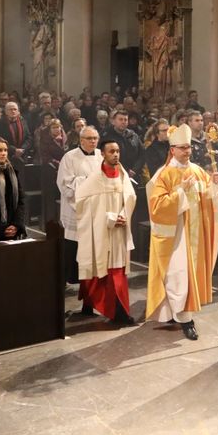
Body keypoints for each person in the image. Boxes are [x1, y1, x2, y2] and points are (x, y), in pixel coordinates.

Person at [145, 122, 218, 340]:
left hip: (195, 234)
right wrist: (181, 191)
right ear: (172, 150)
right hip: (176, 235)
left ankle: (182, 315)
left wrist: (215, 185)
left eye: (189, 147)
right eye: (182, 148)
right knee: (177, 276)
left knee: (186, 277)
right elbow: (157, 206)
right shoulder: (165, 174)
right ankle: (185, 319)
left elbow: (208, 198)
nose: (187, 151)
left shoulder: (198, 171)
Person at [73, 137, 137, 326]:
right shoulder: (94, 179)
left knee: (117, 271)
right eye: (111, 151)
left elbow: (131, 197)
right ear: (102, 154)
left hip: (119, 232)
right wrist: (109, 218)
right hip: (102, 232)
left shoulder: (123, 175)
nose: (115, 154)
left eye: (117, 151)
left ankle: (120, 312)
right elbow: (81, 203)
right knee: (103, 270)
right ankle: (116, 312)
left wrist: (124, 215)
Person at [58, 126, 101, 285]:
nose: (93, 141)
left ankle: (89, 278)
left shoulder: (100, 156)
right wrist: (89, 180)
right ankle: (71, 278)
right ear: (81, 140)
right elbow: (64, 183)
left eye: (95, 138)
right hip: (75, 207)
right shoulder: (69, 157)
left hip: (95, 208)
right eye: (89, 138)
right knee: (73, 244)